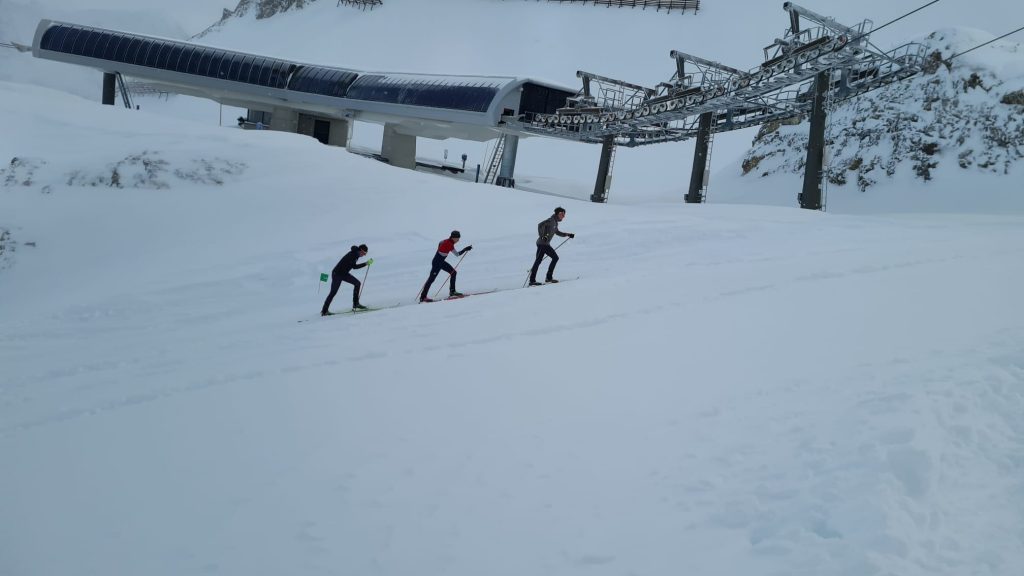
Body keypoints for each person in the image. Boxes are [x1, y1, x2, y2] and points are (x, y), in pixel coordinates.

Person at [419, 231, 473, 302]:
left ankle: (452, 291)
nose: (458, 240)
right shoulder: (449, 244)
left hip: (440, 262)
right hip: (437, 263)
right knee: (431, 279)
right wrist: (465, 249)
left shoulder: (445, 241)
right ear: (453, 237)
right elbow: (457, 254)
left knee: (453, 272)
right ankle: (423, 297)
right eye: (457, 238)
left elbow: (440, 243)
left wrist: (441, 250)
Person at [321, 244, 372, 315]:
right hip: (337, 274)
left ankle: (356, 304)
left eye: (365, 254)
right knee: (333, 292)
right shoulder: (354, 254)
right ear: (360, 250)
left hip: (344, 274)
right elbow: (354, 267)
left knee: (357, 283)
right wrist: (366, 263)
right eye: (364, 253)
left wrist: (366, 263)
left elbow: (353, 266)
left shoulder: (356, 254)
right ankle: (324, 311)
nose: (364, 255)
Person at [530, 207, 574, 286]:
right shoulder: (551, 220)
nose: (563, 216)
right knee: (551, 258)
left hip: (545, 244)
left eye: (564, 214)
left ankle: (544, 278)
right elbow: (540, 225)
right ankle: (536, 280)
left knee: (540, 261)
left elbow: (557, 232)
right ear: (557, 213)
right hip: (542, 244)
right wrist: (542, 236)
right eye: (561, 214)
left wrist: (567, 234)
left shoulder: (555, 222)